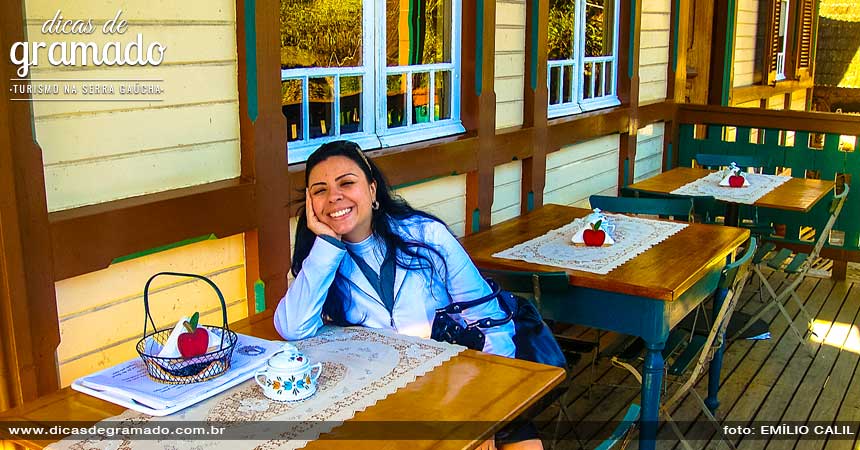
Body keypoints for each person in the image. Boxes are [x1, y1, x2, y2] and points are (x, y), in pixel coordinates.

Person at [274, 140, 544, 450]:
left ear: (373, 190)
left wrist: (486, 412)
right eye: (319, 190)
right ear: (310, 204)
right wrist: (327, 246)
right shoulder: (316, 259)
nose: (334, 196)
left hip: (463, 385)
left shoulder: (425, 236)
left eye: (346, 182)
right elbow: (293, 327)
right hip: (383, 405)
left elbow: (491, 321)